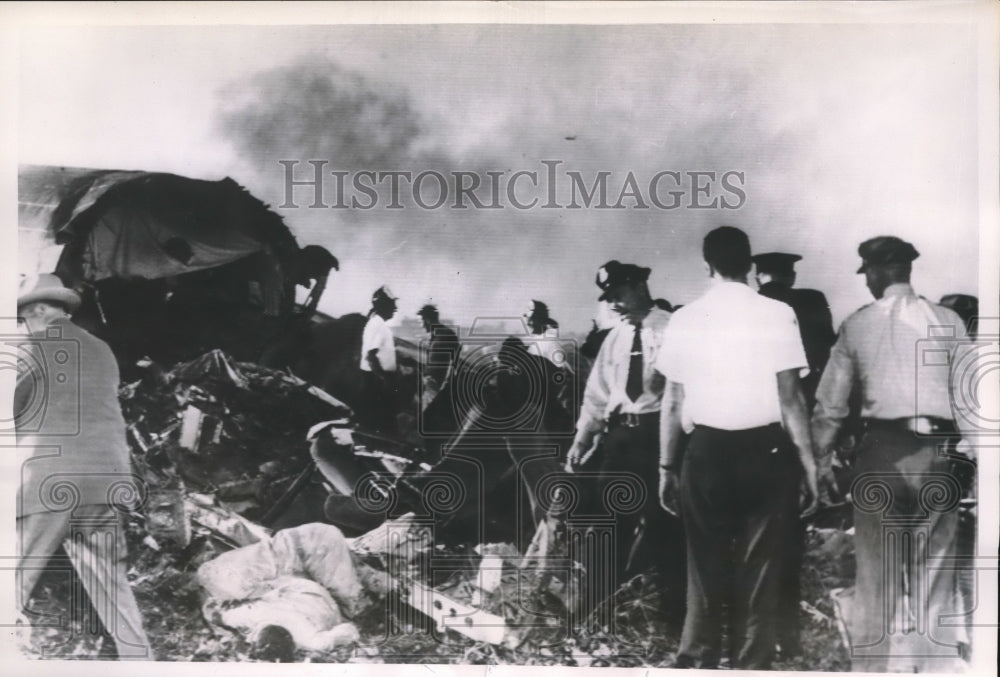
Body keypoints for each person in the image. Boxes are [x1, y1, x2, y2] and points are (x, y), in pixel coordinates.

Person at [656, 227, 819, 670]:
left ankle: (697, 659)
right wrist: (809, 465)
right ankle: (753, 663)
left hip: (705, 450)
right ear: (750, 265)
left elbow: (672, 400)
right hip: (765, 452)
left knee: (704, 566)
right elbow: (791, 398)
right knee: (761, 570)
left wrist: (666, 467)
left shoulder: (686, 318)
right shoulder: (778, 313)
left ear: (706, 266)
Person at [811, 236, 970, 672]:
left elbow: (831, 405)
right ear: (907, 270)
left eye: (867, 275)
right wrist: (970, 453)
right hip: (939, 454)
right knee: (935, 574)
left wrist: (820, 459)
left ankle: (871, 669)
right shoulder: (949, 320)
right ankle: (934, 669)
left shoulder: (858, 324)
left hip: (881, 454)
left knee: (875, 577)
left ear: (878, 273)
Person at [14, 274, 152, 660]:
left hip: (50, 478)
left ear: (39, 310)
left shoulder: (32, 348)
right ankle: (139, 660)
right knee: (111, 582)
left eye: (25, 317)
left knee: (13, 572)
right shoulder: (102, 350)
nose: (24, 326)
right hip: (107, 477)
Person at [565, 260, 682, 585]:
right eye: (609, 297)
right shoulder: (615, 338)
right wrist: (582, 439)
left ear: (640, 287)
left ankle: (672, 614)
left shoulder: (673, 329)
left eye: (620, 294)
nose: (614, 304)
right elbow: (598, 394)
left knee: (664, 523)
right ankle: (597, 606)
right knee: (609, 522)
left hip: (659, 437)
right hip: (620, 440)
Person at [750, 250, 836, 657]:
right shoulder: (811, 302)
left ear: (757, 274)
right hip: (803, 424)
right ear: (791, 273)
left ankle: (751, 637)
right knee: (788, 538)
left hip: (751, 429)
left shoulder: (746, 307)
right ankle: (789, 637)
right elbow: (825, 363)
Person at [751, 252, 836, 407]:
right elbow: (828, 349)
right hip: (806, 392)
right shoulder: (813, 299)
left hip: (759, 397)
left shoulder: (747, 304)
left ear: (758, 278)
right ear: (792, 277)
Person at [358, 285, 399, 432]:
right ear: (383, 306)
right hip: (374, 379)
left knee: (372, 418)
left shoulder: (378, 323)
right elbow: (371, 356)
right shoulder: (378, 325)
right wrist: (383, 378)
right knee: (372, 420)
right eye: (392, 305)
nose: (395, 308)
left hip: (374, 378)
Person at [416, 303, 460, 406]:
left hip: (437, 387)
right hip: (432, 385)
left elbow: (453, 363)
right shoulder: (438, 335)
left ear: (427, 320)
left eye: (421, 322)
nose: (421, 326)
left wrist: (445, 385)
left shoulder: (444, 335)